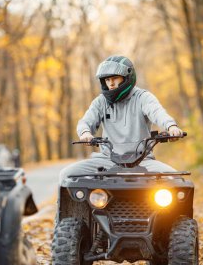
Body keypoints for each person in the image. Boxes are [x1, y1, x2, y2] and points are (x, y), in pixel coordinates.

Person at [59, 55, 182, 186]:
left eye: (115, 78)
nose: (110, 83)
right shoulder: (101, 102)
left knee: (175, 180)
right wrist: (85, 133)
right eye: (107, 79)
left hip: (142, 160)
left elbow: (157, 112)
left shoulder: (143, 97)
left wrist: (171, 126)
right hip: (107, 160)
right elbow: (85, 122)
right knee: (66, 175)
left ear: (127, 77)